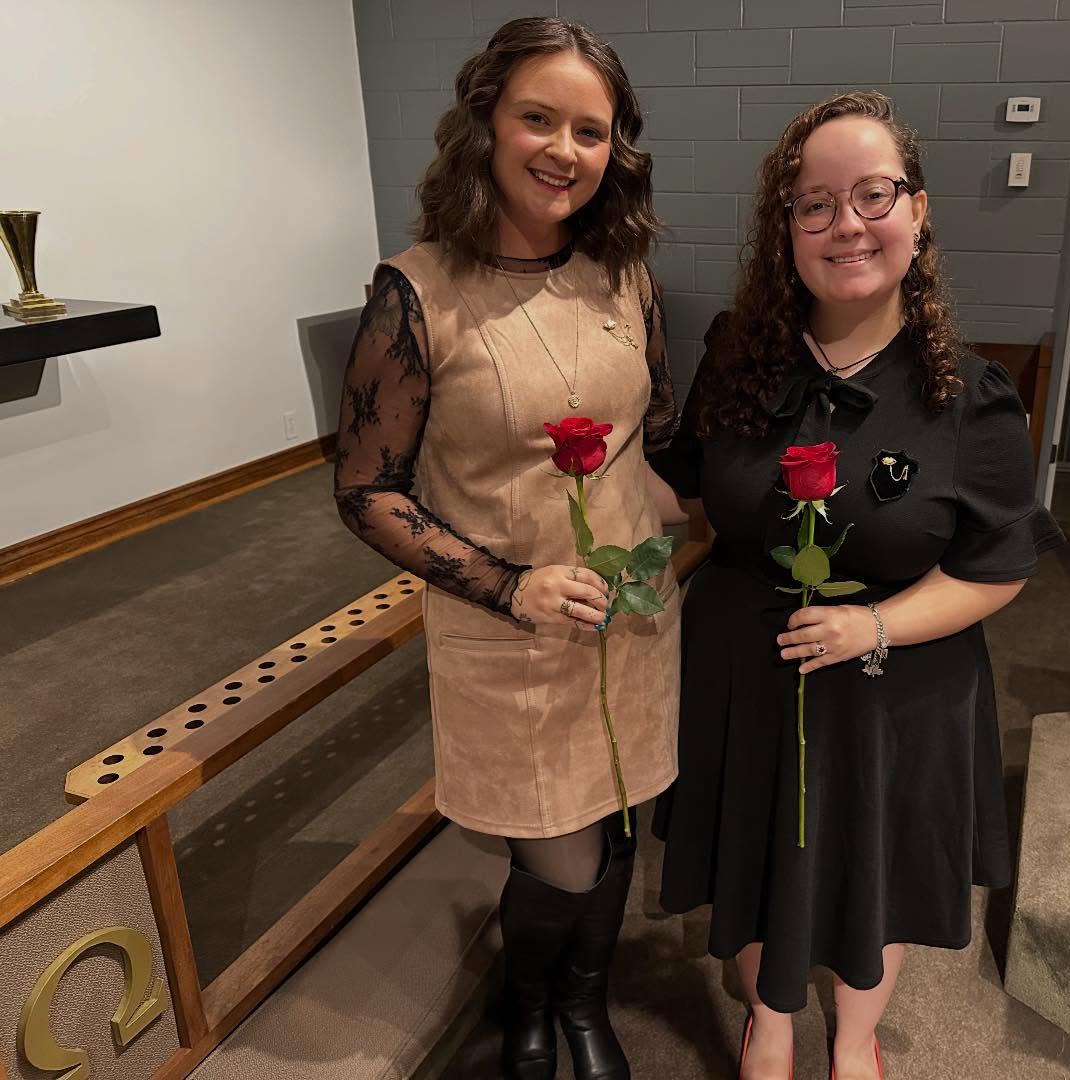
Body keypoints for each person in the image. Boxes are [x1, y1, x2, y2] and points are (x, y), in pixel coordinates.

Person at [650, 91, 1065, 1080]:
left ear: (917, 212)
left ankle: (852, 1036)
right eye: (815, 203)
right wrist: (562, 473)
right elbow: (686, 487)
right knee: (755, 860)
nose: (847, 224)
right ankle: (769, 1023)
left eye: (873, 194)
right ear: (786, 229)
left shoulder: (967, 394)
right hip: (746, 676)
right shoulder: (738, 358)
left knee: (873, 876)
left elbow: (998, 566)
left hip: (897, 687)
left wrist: (873, 626)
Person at [334, 18, 681, 1080]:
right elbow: (365, 492)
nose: (564, 150)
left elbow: (654, 429)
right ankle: (529, 1001)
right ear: (485, 121)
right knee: (560, 851)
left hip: (629, 616)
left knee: (615, 825)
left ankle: (583, 1004)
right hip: (509, 630)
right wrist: (511, 585)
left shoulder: (623, 273)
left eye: (591, 130)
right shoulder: (417, 290)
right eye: (539, 118)